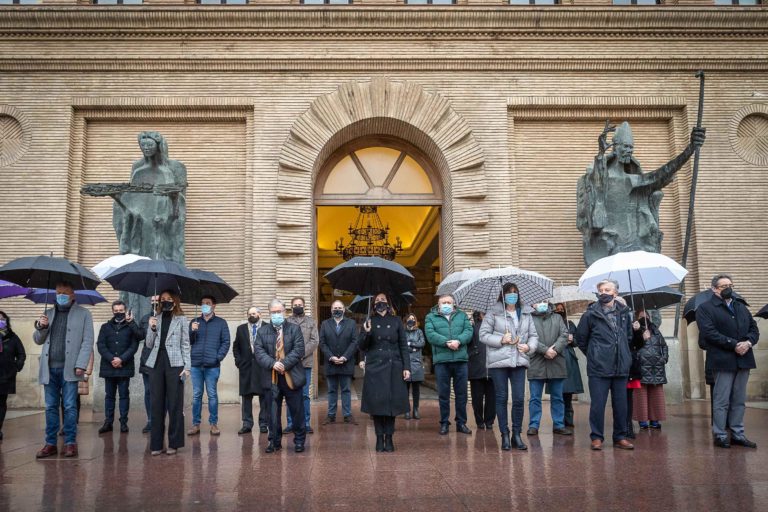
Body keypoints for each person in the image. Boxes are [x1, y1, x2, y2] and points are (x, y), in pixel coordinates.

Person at [697, 274, 759, 449]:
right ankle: (720, 434)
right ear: (714, 289)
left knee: (739, 400)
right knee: (721, 400)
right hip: (722, 360)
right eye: (723, 286)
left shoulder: (741, 306)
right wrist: (733, 345)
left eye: (730, 284)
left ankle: (738, 433)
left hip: (743, 360)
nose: (728, 288)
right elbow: (709, 333)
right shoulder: (705, 308)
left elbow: (754, 329)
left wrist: (748, 342)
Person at [33, 281, 94, 459]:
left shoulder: (84, 314)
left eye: (64, 293)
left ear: (72, 295)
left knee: (69, 406)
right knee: (50, 407)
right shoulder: (48, 313)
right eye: (58, 292)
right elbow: (38, 340)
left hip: (71, 369)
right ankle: (50, 443)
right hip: (49, 368)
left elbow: (88, 341)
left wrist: (81, 364)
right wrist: (41, 327)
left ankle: (70, 443)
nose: (60, 295)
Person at [575, 279, 638, 451]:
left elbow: (628, 337)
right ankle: (596, 437)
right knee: (598, 404)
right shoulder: (590, 314)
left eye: (607, 289)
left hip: (620, 366)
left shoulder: (624, 313)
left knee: (621, 404)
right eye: (601, 290)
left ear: (615, 293)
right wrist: (594, 354)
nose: (604, 292)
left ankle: (620, 437)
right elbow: (581, 339)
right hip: (599, 367)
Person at [479, 283, 538, 451]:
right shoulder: (494, 312)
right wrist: (501, 340)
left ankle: (516, 435)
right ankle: (504, 433)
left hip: (519, 360)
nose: (512, 295)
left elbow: (533, 335)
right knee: (501, 398)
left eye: (515, 293)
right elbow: (483, 335)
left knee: (519, 399)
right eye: (509, 293)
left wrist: (529, 347)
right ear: (502, 295)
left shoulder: (526, 313)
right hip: (499, 361)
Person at [359, 293, 410, 452]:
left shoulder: (396, 321)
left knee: (391, 404)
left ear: (388, 303)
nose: (381, 302)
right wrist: (366, 333)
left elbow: (403, 346)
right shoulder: (369, 321)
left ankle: (389, 437)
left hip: (394, 366)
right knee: (377, 404)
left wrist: (406, 367)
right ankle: (379, 438)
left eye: (383, 300)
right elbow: (361, 346)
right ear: (373, 304)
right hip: (375, 367)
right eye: (378, 300)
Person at [254, 299, 307, 453]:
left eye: (279, 311)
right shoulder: (262, 331)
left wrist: (284, 363)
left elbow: (299, 349)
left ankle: (299, 441)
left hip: (291, 376)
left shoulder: (294, 329)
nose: (277, 314)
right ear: (269, 313)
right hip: (271, 377)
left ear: (285, 312)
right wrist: (273, 363)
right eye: (274, 312)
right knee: (272, 412)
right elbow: (259, 352)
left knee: (297, 411)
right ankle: (274, 441)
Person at [145, 290, 191, 456]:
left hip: (175, 364)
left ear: (175, 301)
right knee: (156, 403)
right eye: (163, 299)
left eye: (169, 299)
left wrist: (187, 367)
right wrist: (151, 328)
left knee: (175, 404)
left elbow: (185, 344)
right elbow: (149, 344)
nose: (166, 302)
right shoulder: (155, 318)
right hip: (156, 363)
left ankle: (174, 443)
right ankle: (156, 444)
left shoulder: (181, 319)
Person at [425, 294, 473, 435]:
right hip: (442, 361)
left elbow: (468, 331)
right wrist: (447, 342)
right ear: (438, 305)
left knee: (461, 394)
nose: (446, 304)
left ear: (453, 304)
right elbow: (430, 334)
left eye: (449, 302)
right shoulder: (430, 317)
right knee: (443, 394)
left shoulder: (462, 316)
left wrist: (458, 341)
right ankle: (444, 422)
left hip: (460, 360)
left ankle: (461, 423)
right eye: (443, 302)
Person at [187, 295, 230, 437]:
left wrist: (217, 358)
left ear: (214, 305)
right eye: (202, 303)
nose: (204, 305)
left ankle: (213, 424)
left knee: (212, 395)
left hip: (212, 366)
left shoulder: (221, 323)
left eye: (208, 303)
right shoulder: (194, 321)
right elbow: (189, 342)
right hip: (196, 364)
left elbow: (226, 342)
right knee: (196, 395)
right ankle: (195, 424)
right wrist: (192, 331)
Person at [96, 300, 141, 434]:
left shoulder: (131, 326)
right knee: (109, 396)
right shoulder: (105, 327)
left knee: (123, 396)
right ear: (112, 311)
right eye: (116, 311)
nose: (118, 313)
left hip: (124, 367)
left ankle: (123, 423)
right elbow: (101, 345)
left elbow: (134, 345)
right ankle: (108, 422)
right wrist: (112, 359)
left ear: (125, 310)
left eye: (121, 311)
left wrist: (121, 359)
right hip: (108, 367)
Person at [527, 301, 572, 436]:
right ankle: (534, 425)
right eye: (538, 302)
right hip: (536, 361)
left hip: (556, 361)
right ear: (532, 304)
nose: (542, 304)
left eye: (544, 301)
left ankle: (559, 424)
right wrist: (545, 350)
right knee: (535, 397)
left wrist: (555, 349)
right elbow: (528, 337)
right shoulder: (528, 318)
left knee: (557, 396)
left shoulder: (557, 317)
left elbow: (564, 335)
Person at [319, 300, 358, 425]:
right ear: (331, 310)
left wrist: (345, 357)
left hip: (346, 363)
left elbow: (354, 342)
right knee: (331, 390)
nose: (337, 309)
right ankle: (331, 415)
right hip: (331, 363)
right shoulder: (325, 324)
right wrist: (331, 357)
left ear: (344, 310)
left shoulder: (351, 323)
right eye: (335, 307)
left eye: (340, 308)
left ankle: (347, 415)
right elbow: (322, 343)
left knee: (346, 390)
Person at [285, 297, 319, 434]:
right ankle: (290, 423)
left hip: (305, 363)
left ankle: (305, 423)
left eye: (300, 304)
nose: (297, 306)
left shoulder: (311, 322)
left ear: (304, 306)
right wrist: (293, 356)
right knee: (290, 393)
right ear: (291, 306)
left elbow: (315, 340)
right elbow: (284, 340)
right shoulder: (286, 321)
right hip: (290, 364)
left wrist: (300, 354)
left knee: (305, 394)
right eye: (295, 305)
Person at [632, 309, 668, 431]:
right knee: (641, 396)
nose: (644, 316)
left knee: (656, 396)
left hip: (656, 368)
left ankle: (655, 419)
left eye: (646, 314)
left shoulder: (656, 330)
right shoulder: (635, 329)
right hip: (641, 367)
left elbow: (664, 346)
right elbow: (632, 345)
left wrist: (664, 359)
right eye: (641, 314)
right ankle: (642, 420)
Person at [232, 307, 266, 435]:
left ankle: (264, 423)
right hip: (246, 367)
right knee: (246, 397)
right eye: (249, 314)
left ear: (259, 314)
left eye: (254, 313)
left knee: (264, 396)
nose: (252, 315)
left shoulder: (267, 327)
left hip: (262, 367)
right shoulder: (241, 329)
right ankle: (247, 423)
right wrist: (238, 361)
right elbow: (236, 347)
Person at [553, 303, 583, 428]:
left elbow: (578, 341)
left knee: (568, 392)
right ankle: (558, 420)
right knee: (558, 392)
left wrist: (572, 340)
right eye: (557, 309)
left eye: (562, 309)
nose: (560, 311)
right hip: (556, 358)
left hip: (569, 359)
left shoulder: (570, 324)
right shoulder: (552, 324)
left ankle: (568, 418)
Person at [0, 311, 26, 442]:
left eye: (2, 319)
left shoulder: (12, 337)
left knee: (1, 403)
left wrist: (16, 366)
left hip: (6, 375)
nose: (0, 321)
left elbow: (21, 354)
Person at [468, 311, 494, 430]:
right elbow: (467, 344)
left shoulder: (497, 326)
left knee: (492, 398)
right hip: (476, 366)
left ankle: (489, 421)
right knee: (477, 398)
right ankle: (479, 421)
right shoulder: (472, 326)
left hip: (494, 367)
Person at [138, 296, 159, 434]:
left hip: (162, 361)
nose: (154, 303)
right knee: (148, 392)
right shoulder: (145, 318)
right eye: (152, 301)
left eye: (157, 301)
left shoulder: (169, 318)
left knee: (163, 394)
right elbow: (139, 336)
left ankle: (161, 420)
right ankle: (150, 420)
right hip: (147, 359)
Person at [403, 313, 425, 421]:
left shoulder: (419, 331)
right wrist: (413, 346)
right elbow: (402, 346)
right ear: (406, 320)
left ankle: (416, 409)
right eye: (409, 319)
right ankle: (406, 410)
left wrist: (410, 344)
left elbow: (422, 343)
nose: (411, 320)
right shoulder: (402, 332)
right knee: (405, 389)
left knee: (416, 389)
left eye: (413, 319)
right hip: (406, 363)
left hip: (417, 363)